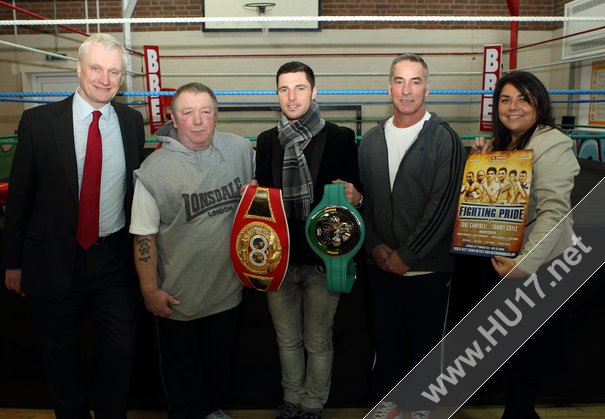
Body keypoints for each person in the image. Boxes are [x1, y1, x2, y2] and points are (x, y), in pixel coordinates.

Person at [2, 34, 145, 419]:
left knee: (121, 349)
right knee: (60, 354)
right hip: (51, 258)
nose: (105, 78)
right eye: (96, 68)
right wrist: (12, 262)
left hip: (112, 258)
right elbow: (19, 198)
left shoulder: (132, 123)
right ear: (79, 69)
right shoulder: (39, 122)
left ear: (122, 77)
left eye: (114, 71)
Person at [130, 82, 255, 419]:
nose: (198, 121)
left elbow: (262, 198)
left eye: (205, 112)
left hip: (227, 292)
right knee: (182, 385)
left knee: (217, 374)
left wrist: (255, 192)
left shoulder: (240, 150)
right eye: (188, 113)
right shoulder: (153, 171)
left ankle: (212, 410)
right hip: (178, 298)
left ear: (216, 116)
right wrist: (149, 289)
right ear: (174, 118)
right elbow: (144, 236)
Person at [468, 70, 580, 418]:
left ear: (538, 103)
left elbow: (555, 211)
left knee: (529, 356)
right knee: (511, 352)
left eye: (522, 99)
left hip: (537, 266)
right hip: (504, 261)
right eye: (505, 99)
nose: (512, 107)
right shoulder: (504, 144)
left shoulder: (552, 142)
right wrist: (480, 161)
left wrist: (527, 263)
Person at [358, 53, 465, 418]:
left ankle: (423, 406)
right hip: (382, 267)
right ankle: (387, 403)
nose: (406, 90)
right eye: (399, 81)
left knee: (426, 346)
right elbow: (367, 202)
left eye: (415, 81)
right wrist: (375, 248)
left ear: (428, 87)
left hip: (428, 269)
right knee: (386, 343)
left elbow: (444, 205)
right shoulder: (371, 140)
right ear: (389, 87)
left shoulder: (445, 139)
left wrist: (407, 254)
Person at [253, 61, 362, 419]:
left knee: (318, 341)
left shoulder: (342, 138)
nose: (292, 96)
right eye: (284, 89)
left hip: (323, 260)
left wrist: (355, 195)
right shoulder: (268, 141)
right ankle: (292, 400)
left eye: (299, 88)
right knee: (287, 340)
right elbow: (262, 202)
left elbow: (358, 198)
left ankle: (313, 404)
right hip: (278, 260)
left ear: (314, 92)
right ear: (277, 95)